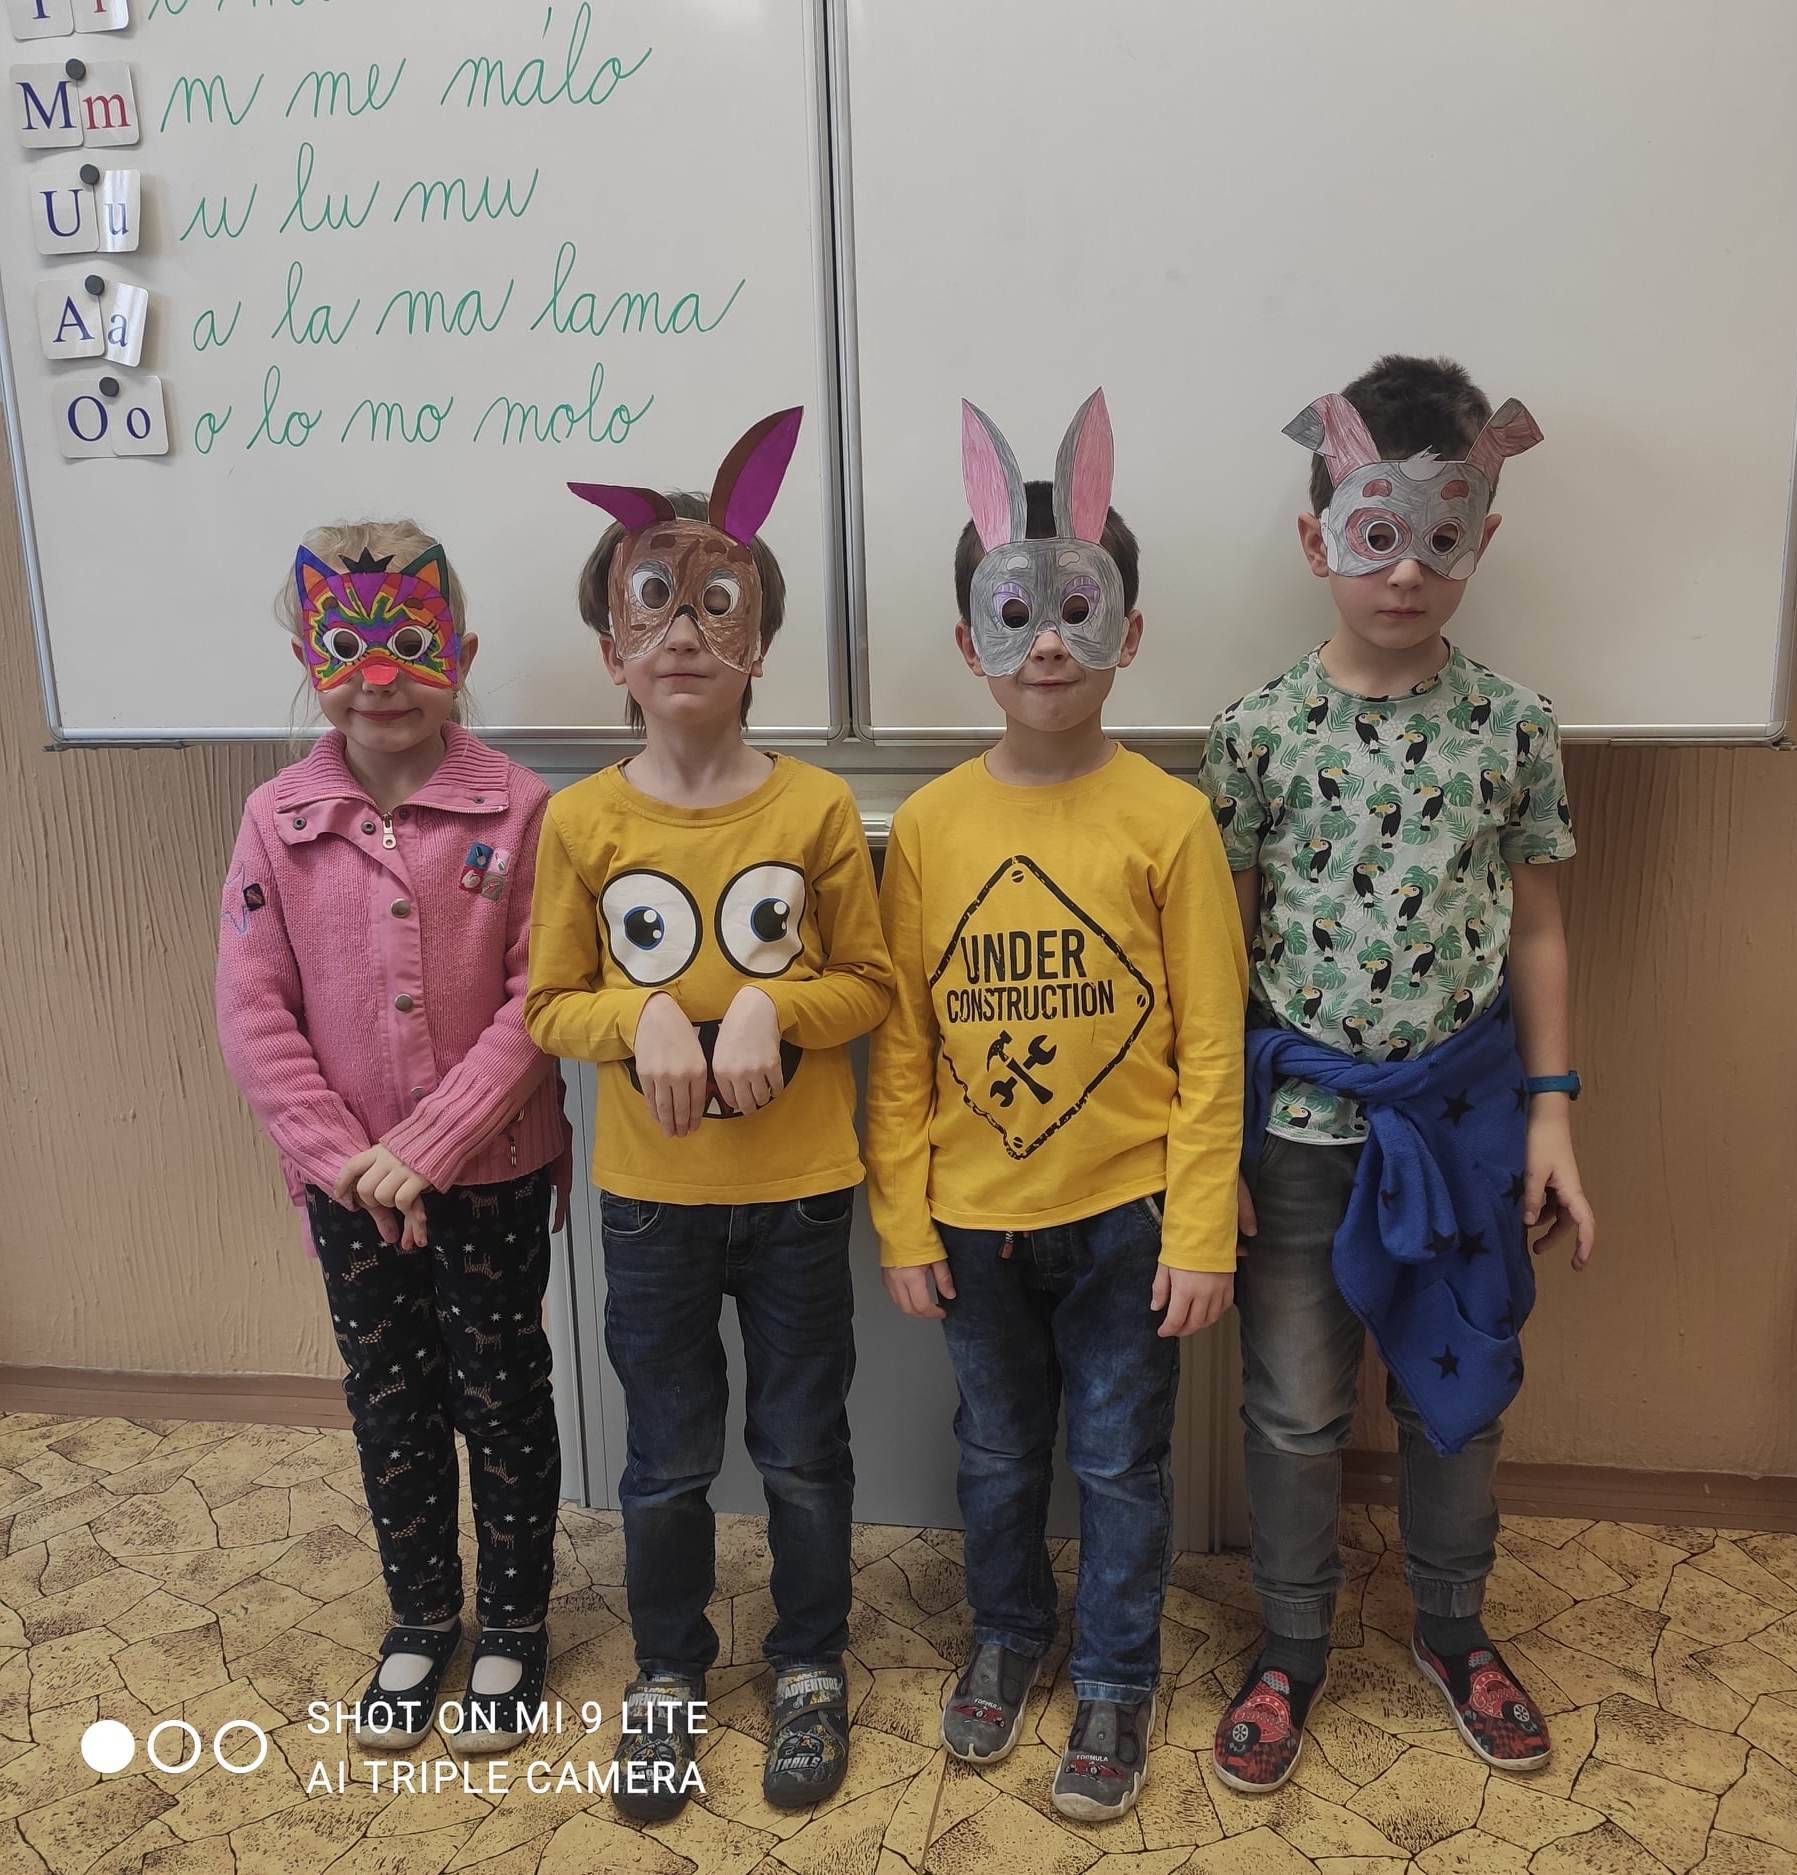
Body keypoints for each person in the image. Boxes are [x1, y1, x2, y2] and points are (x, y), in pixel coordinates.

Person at [1199, 355, 1597, 1793]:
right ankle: (1291, 1640)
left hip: (1464, 1122)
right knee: (1293, 1404)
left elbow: (1538, 926)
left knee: (1455, 1390)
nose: (1408, 569)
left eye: (1442, 536)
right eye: (1377, 533)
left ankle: (1450, 1623)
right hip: (1299, 1130)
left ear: (1481, 534)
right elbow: (1219, 956)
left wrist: (1551, 1113)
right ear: (1319, 537)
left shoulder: (1512, 725)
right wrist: (1214, 1146)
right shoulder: (1254, 734)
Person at [868, 391, 1248, 1823]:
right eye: (1013, 613)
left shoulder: (1170, 819)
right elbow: (902, 1043)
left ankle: (1114, 1672)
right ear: (969, 636)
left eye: (1076, 611)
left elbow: (1210, 1040)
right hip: (973, 1220)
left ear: (1127, 633)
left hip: (1125, 1216)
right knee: (993, 1450)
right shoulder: (931, 826)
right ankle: (1008, 1632)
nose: (1044, 643)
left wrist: (1197, 1227)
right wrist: (903, 1218)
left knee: (1119, 1459)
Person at [525, 409, 892, 1819]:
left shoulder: (814, 809)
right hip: (652, 1205)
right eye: (652, 604)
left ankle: (808, 1663)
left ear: (759, 643)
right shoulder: (581, 824)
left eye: (715, 603)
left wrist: (771, 1005)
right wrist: (645, 1017)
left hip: (798, 1194)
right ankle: (668, 1669)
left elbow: (867, 984)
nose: (682, 632)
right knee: (667, 1457)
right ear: (611, 650)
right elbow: (552, 1004)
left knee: (802, 1447)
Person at [217, 523, 569, 1754]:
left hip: (494, 1173)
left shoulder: (518, 808)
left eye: (412, 647)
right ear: (308, 660)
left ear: (458, 655)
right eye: (348, 650)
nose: (382, 679)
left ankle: (515, 1624)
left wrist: (433, 1142)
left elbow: (539, 1001)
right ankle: (421, 1614)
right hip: (348, 1191)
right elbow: (252, 1009)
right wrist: (342, 1156)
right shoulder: (277, 819)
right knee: (390, 1401)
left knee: (503, 1394)